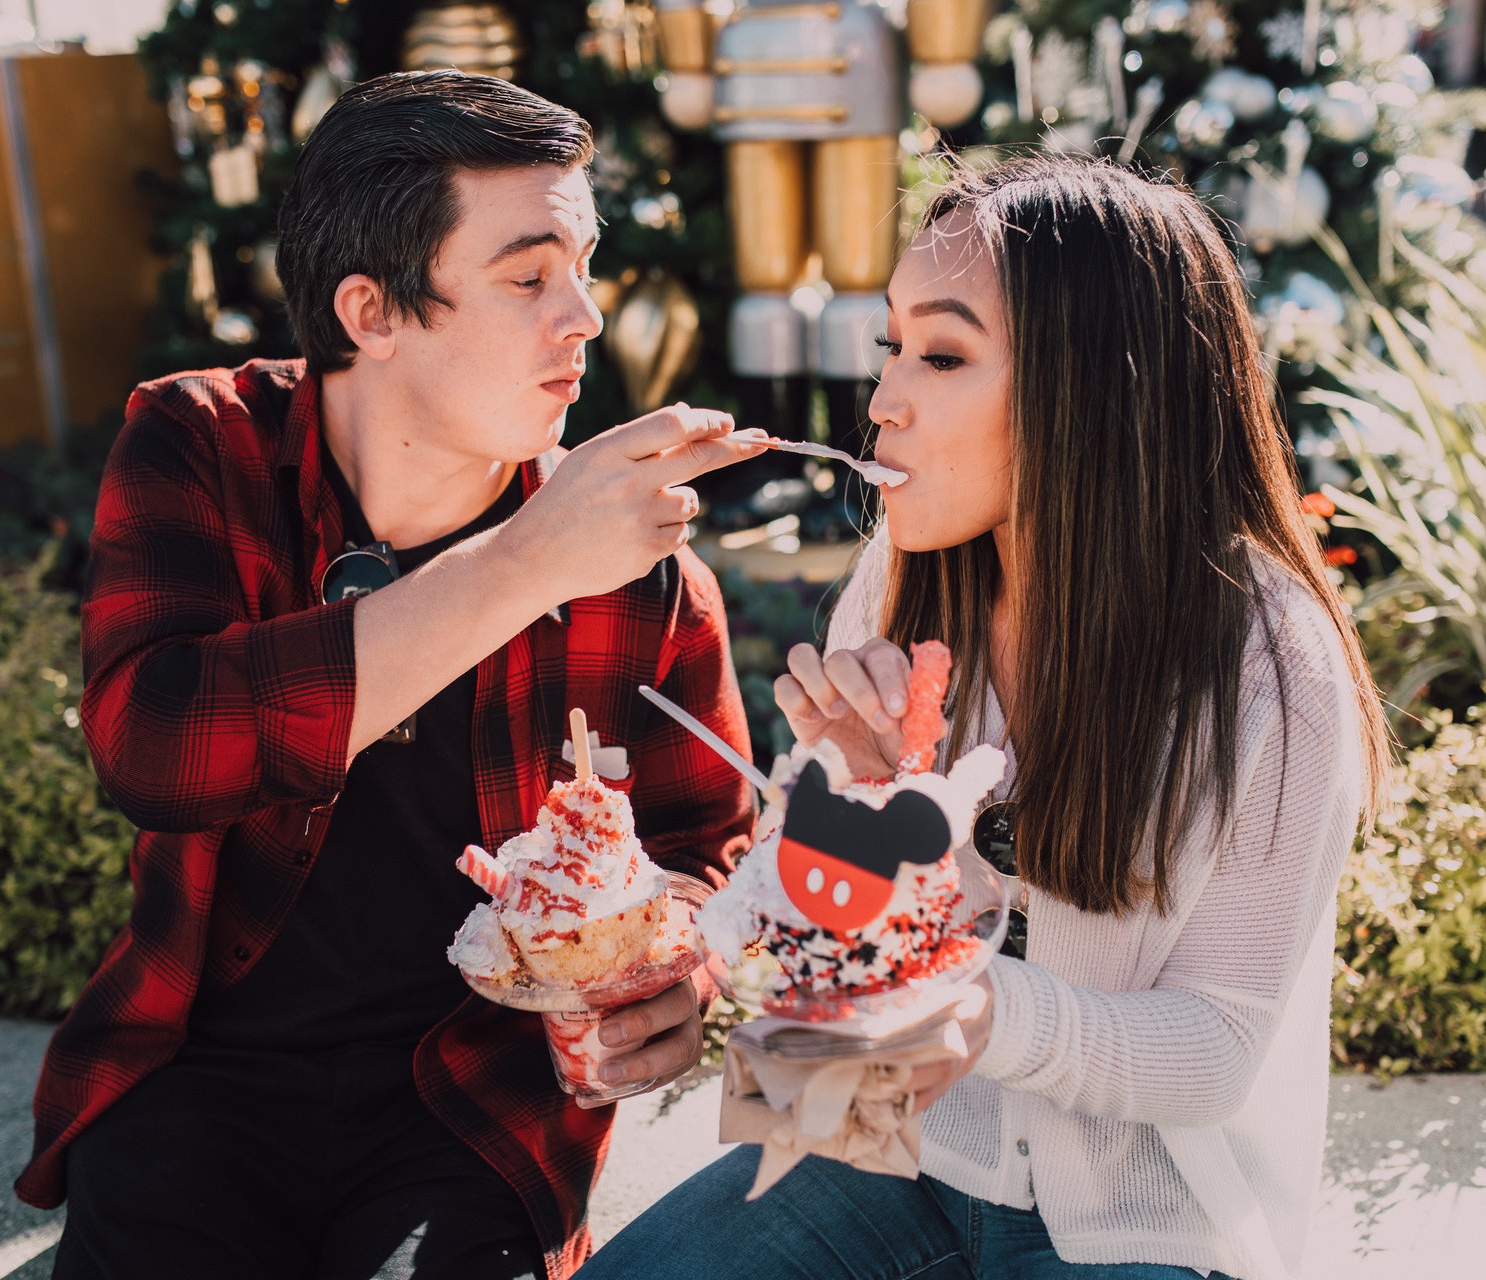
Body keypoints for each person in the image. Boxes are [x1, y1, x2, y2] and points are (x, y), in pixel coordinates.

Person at [15, 71, 767, 1280]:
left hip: (479, 1102)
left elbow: (708, 843)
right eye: (528, 278)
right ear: (370, 310)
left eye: (584, 266)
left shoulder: (642, 576)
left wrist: (678, 968)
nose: (584, 315)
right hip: (200, 1074)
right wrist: (523, 563)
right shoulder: (204, 444)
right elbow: (153, 743)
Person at [580, 157, 1390, 1280]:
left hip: (1134, 1213)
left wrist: (977, 1008)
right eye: (892, 346)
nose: (882, 401)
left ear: (1092, 388)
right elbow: (809, 941)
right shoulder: (901, 578)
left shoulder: (1270, 661)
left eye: (944, 355)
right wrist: (849, 801)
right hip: (871, 1129)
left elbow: (1215, 1050)